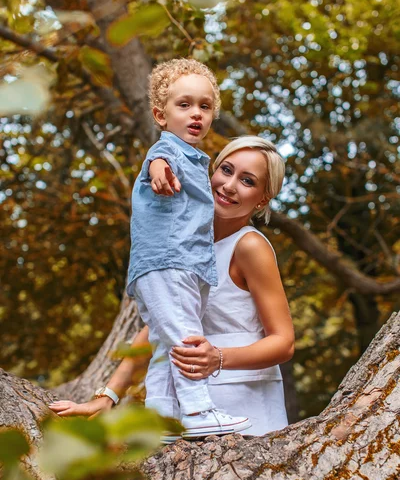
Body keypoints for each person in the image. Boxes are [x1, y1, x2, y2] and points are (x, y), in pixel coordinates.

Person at [49, 136, 295, 437]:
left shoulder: (250, 246)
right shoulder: (185, 242)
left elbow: (284, 342)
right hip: (186, 410)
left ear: (262, 198)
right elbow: (158, 329)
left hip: (246, 407)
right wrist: (108, 397)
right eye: (226, 170)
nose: (229, 186)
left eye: (247, 180)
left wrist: (217, 358)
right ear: (212, 171)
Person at [121, 57, 249, 437]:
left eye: (205, 106)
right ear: (161, 116)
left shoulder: (196, 158)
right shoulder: (169, 151)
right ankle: (197, 409)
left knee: (165, 344)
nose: (196, 113)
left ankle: (161, 420)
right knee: (187, 339)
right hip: (169, 263)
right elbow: (157, 160)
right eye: (184, 105)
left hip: (180, 267)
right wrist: (158, 169)